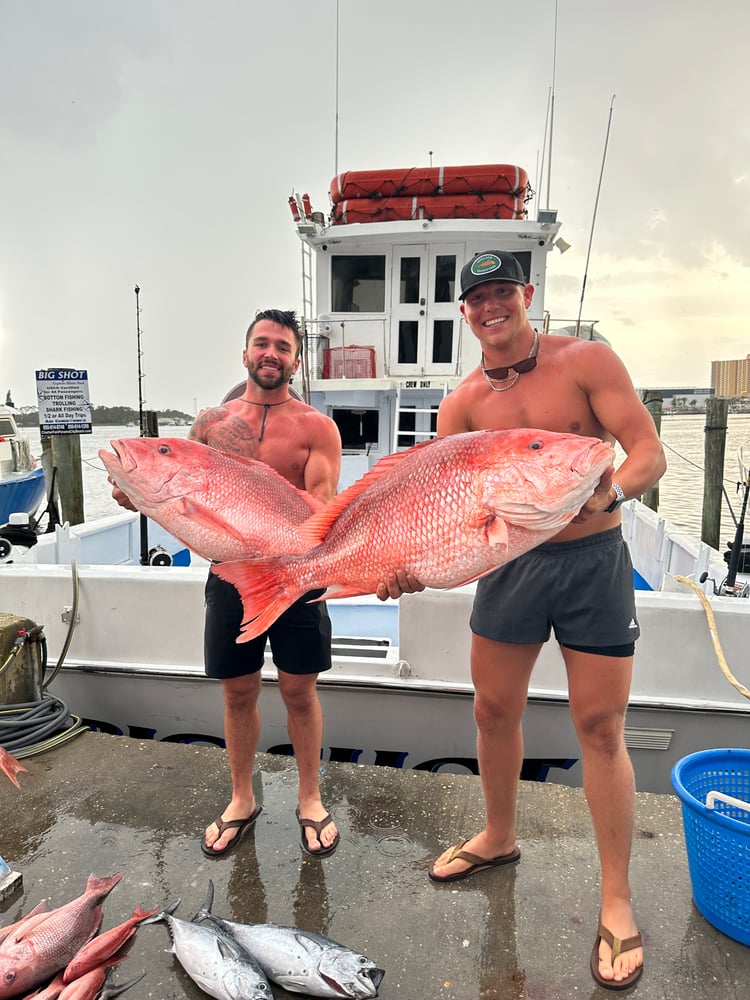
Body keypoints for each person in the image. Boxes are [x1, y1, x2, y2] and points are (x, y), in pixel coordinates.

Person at [382, 251, 666, 991]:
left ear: (526, 295)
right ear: (465, 314)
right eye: (478, 298)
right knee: (492, 709)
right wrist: (407, 564)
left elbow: (648, 452)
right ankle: (499, 836)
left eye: (503, 291)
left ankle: (616, 898)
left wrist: (608, 500)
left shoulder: (586, 361)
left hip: (592, 565)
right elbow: (439, 508)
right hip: (510, 566)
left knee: (600, 726)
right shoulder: (463, 404)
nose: (492, 306)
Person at [111, 309, 343, 859]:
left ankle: (309, 798)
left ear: (295, 360)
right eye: (261, 344)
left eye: (282, 347)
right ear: (244, 354)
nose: (271, 354)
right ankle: (242, 797)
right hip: (229, 580)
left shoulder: (317, 427)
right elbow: (182, 494)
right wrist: (138, 492)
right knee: (238, 692)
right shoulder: (210, 423)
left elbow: (323, 508)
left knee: (298, 692)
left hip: (295, 580)